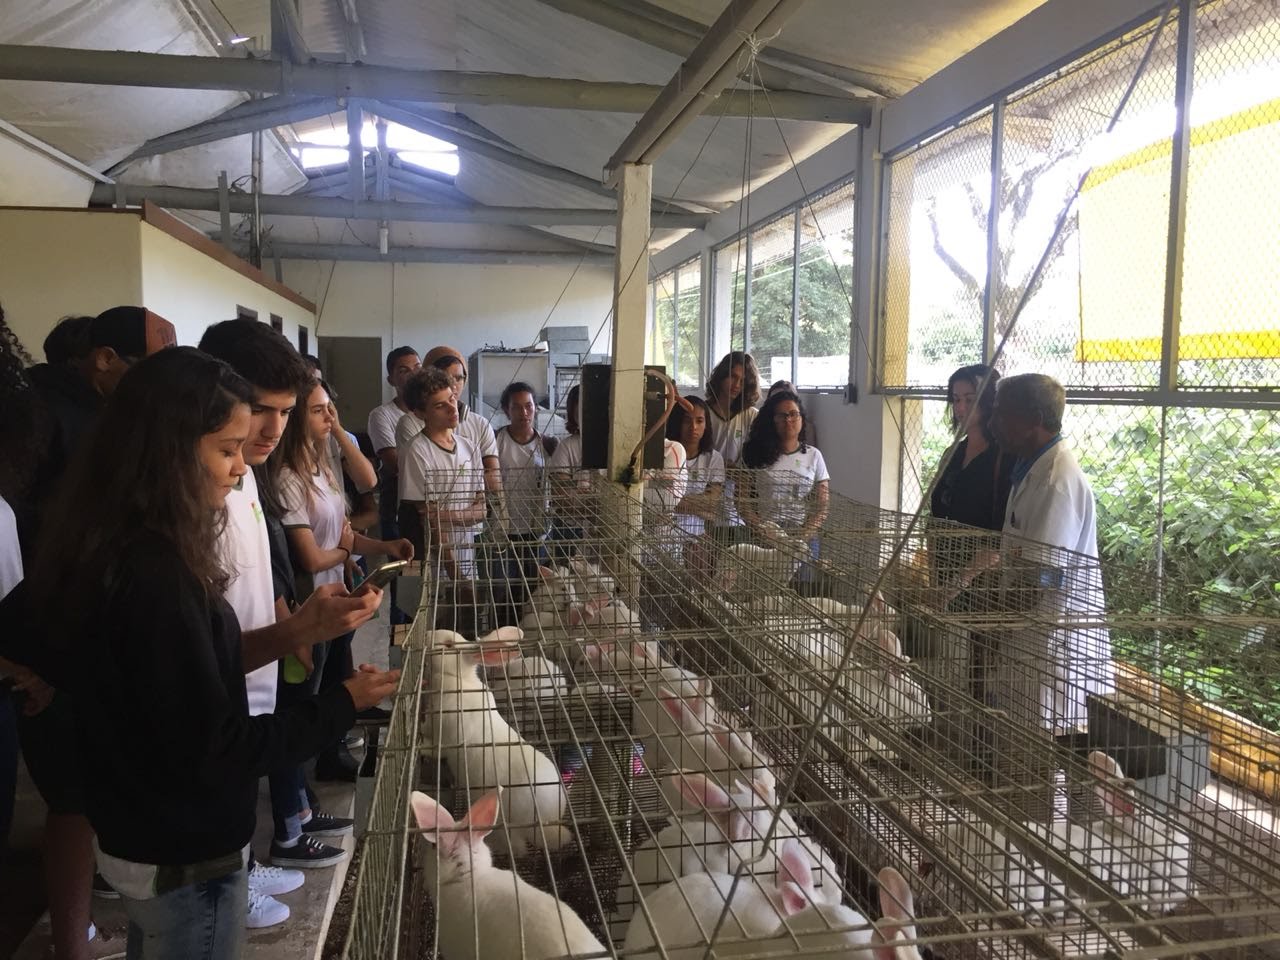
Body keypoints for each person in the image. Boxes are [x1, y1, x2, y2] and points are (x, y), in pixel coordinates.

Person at [25, 346, 400, 960]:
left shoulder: (113, 543)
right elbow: (217, 750)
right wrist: (342, 703)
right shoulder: (157, 577)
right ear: (167, 451)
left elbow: (179, 675)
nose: (239, 467)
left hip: (144, 833)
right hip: (185, 851)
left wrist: (299, 630)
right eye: (227, 450)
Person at [198, 319, 382, 927]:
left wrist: (296, 624)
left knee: (239, 782)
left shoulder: (246, 475)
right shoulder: (200, 495)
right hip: (219, 675)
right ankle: (227, 881)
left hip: (252, 664)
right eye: (260, 410)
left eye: (285, 411)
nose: (273, 428)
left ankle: (242, 865)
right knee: (215, 791)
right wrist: (298, 630)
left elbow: (263, 575)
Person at [10, 305, 174, 960]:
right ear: (105, 360)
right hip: (51, 636)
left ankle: (80, 921)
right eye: (150, 366)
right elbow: (33, 542)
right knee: (72, 796)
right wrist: (29, 654)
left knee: (88, 791)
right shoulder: (46, 418)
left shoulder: (100, 416)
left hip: (79, 629)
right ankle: (71, 937)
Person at [277, 380, 413, 780]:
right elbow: (312, 556)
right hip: (310, 604)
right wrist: (342, 552)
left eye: (330, 408)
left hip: (336, 598)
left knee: (335, 682)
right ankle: (296, 797)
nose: (329, 417)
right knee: (306, 697)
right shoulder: (287, 479)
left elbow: (347, 535)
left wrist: (384, 547)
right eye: (318, 410)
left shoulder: (321, 467)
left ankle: (329, 758)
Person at [986, 373, 1114, 732]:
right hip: (1030, 638)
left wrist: (993, 626)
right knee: (1022, 738)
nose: (992, 423)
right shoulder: (1030, 467)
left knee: (1046, 745)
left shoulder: (1056, 482)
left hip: (1054, 643)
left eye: (1002, 414)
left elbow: (1039, 578)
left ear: (1035, 420)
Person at [398, 368, 487, 581]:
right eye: (439, 406)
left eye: (452, 399)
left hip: (466, 552)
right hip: (432, 559)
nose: (452, 408)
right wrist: (454, 572)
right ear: (420, 413)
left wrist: (446, 515)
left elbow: (482, 509)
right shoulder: (416, 451)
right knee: (427, 599)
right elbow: (428, 521)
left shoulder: (469, 447)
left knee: (468, 600)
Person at [929, 365, 1015, 583]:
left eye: (970, 400)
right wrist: (934, 576)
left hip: (982, 580)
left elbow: (999, 534)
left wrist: (958, 584)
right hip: (944, 570)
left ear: (988, 401)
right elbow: (934, 518)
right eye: (956, 399)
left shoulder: (1004, 457)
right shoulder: (953, 453)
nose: (960, 408)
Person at [738, 390, 830, 566]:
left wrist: (802, 535)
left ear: (802, 418)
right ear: (771, 420)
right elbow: (742, 502)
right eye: (782, 416)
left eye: (794, 414)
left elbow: (823, 505)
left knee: (803, 582)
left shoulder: (814, 455)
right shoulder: (753, 453)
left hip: (802, 535)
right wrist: (763, 530)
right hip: (766, 534)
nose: (788, 420)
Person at [367, 346, 421, 622]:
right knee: (405, 584)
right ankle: (401, 646)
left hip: (430, 510)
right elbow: (396, 464)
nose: (412, 375)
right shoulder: (382, 416)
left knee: (426, 585)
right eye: (403, 370)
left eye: (417, 368)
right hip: (399, 510)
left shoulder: (431, 412)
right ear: (391, 379)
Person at [493, 381, 558, 569]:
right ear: (507, 410)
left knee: (536, 581)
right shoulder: (496, 440)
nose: (524, 413)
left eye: (529, 406)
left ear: (535, 408)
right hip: (503, 529)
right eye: (516, 407)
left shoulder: (548, 444)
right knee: (504, 582)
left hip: (537, 529)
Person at [666, 395, 726, 539]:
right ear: (677, 423)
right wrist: (701, 510)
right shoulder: (666, 453)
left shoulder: (713, 459)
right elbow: (658, 500)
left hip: (695, 537)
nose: (693, 427)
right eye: (687, 421)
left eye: (699, 421)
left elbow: (712, 502)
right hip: (664, 532)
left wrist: (674, 503)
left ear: (706, 425)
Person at [704, 351, 761, 465]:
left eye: (743, 381)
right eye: (733, 377)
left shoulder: (752, 415)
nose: (737, 385)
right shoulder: (703, 412)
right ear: (722, 375)